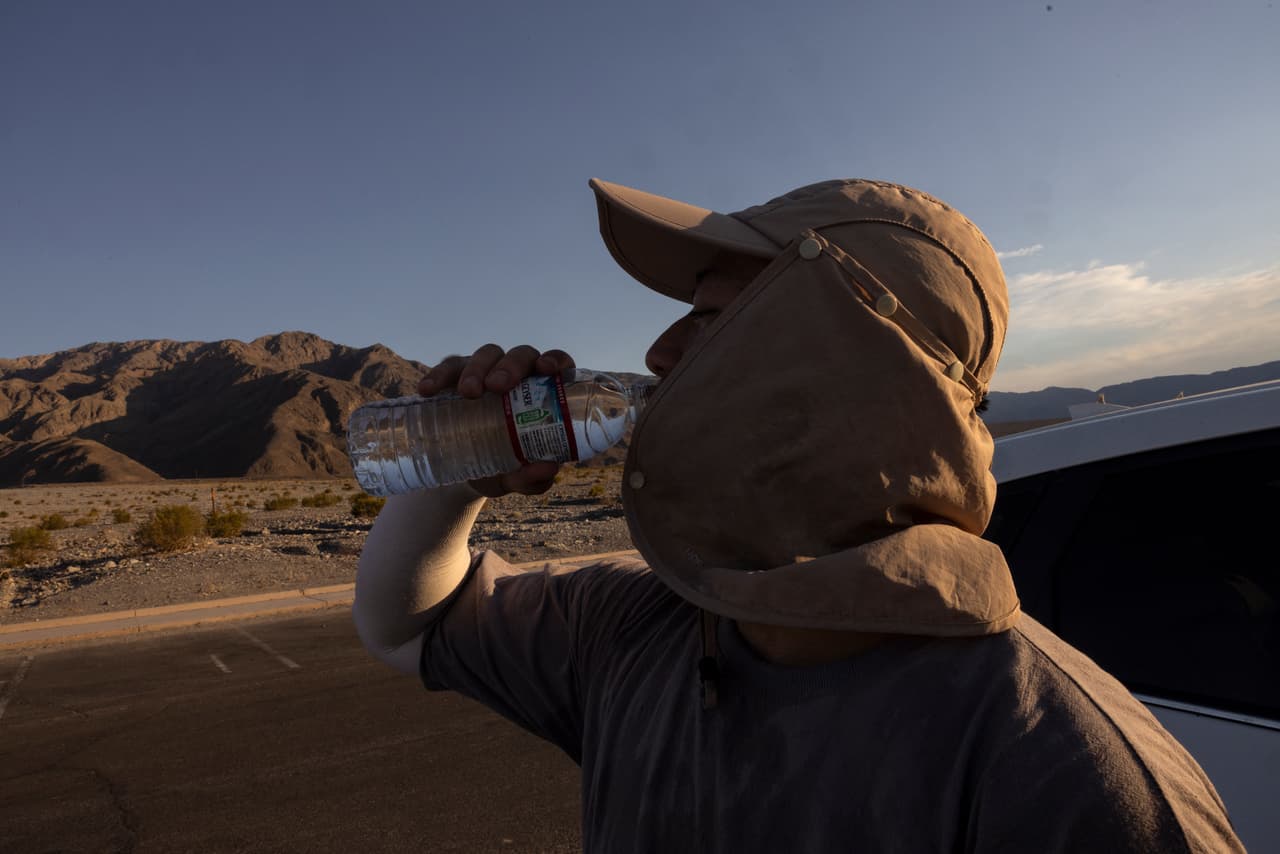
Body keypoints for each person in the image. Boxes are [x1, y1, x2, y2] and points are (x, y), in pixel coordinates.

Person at [354, 177, 1244, 852]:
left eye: (709, 316)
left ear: (852, 355)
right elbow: (404, 628)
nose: (660, 353)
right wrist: (458, 472)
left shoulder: (1071, 777)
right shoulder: (639, 625)